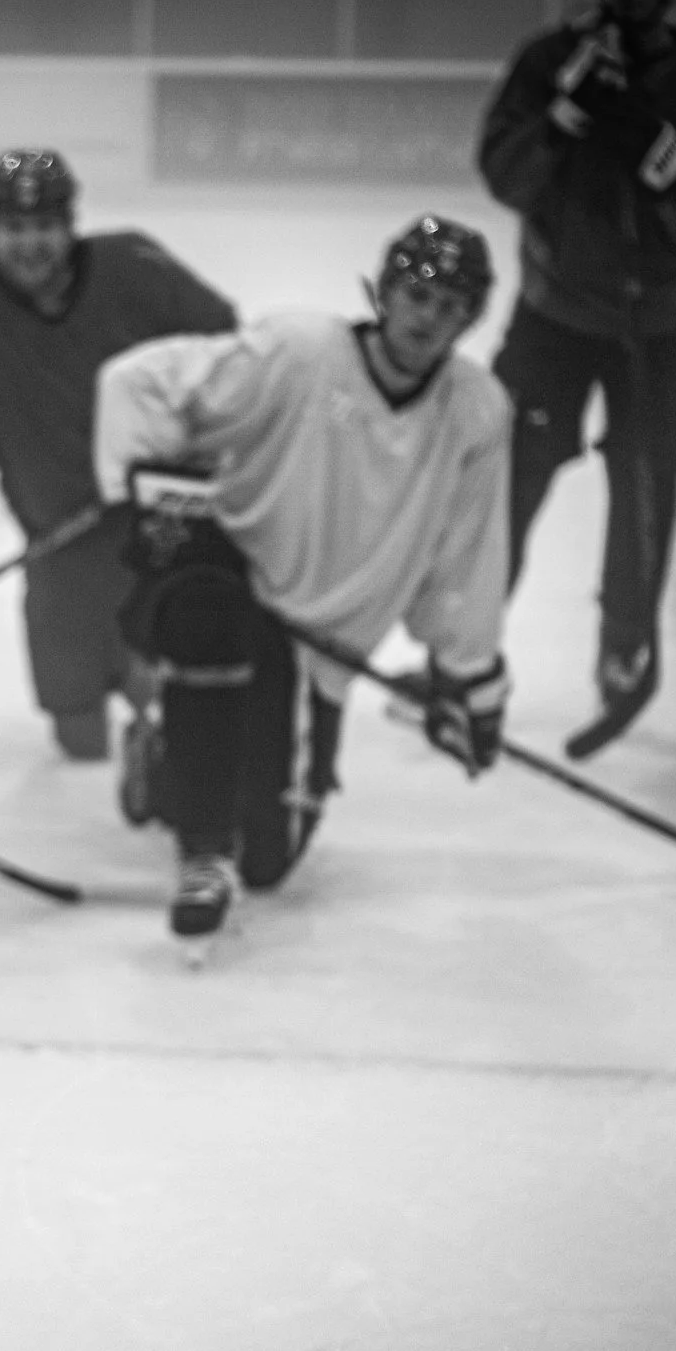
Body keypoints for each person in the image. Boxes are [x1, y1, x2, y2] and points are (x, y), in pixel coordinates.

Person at [91, 218, 513, 946]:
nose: (428, 318)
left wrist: (470, 677)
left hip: (323, 639)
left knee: (270, 858)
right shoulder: (301, 351)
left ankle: (164, 756)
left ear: (472, 318)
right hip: (228, 579)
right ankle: (201, 851)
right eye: (417, 293)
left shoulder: (476, 410)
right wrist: (154, 497)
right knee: (209, 618)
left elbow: (466, 553)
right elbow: (137, 383)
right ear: (384, 292)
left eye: (452, 306)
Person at [478, 0, 676, 759]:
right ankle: (467, 642)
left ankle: (624, 643)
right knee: (504, 477)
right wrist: (564, 118)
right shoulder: (546, 63)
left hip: (659, 329)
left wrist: (651, 144)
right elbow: (503, 172)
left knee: (645, 492)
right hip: (553, 318)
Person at [0, 147, 237, 762]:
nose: (32, 244)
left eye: (46, 226)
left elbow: (226, 352)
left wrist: (191, 461)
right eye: (16, 228)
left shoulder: (135, 267)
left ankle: (163, 743)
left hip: (159, 527)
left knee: (169, 687)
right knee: (78, 734)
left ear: (70, 225)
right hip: (59, 540)